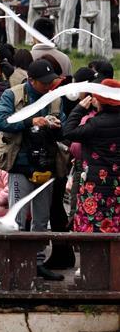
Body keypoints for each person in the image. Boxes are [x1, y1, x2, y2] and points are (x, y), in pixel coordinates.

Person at [0, 59, 65, 281]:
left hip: (46, 165)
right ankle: (16, 264)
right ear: (31, 81)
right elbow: (0, 121)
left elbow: (63, 124)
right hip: (20, 164)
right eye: (44, 83)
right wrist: (30, 120)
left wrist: (56, 124)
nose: (48, 86)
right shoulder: (12, 95)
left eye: (50, 82)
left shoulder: (54, 98)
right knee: (17, 216)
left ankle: (37, 263)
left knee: (41, 219)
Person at [62, 79, 120, 234]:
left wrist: (79, 109)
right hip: (117, 185)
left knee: (94, 228)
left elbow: (68, 132)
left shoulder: (95, 124)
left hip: (94, 186)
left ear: (100, 101)